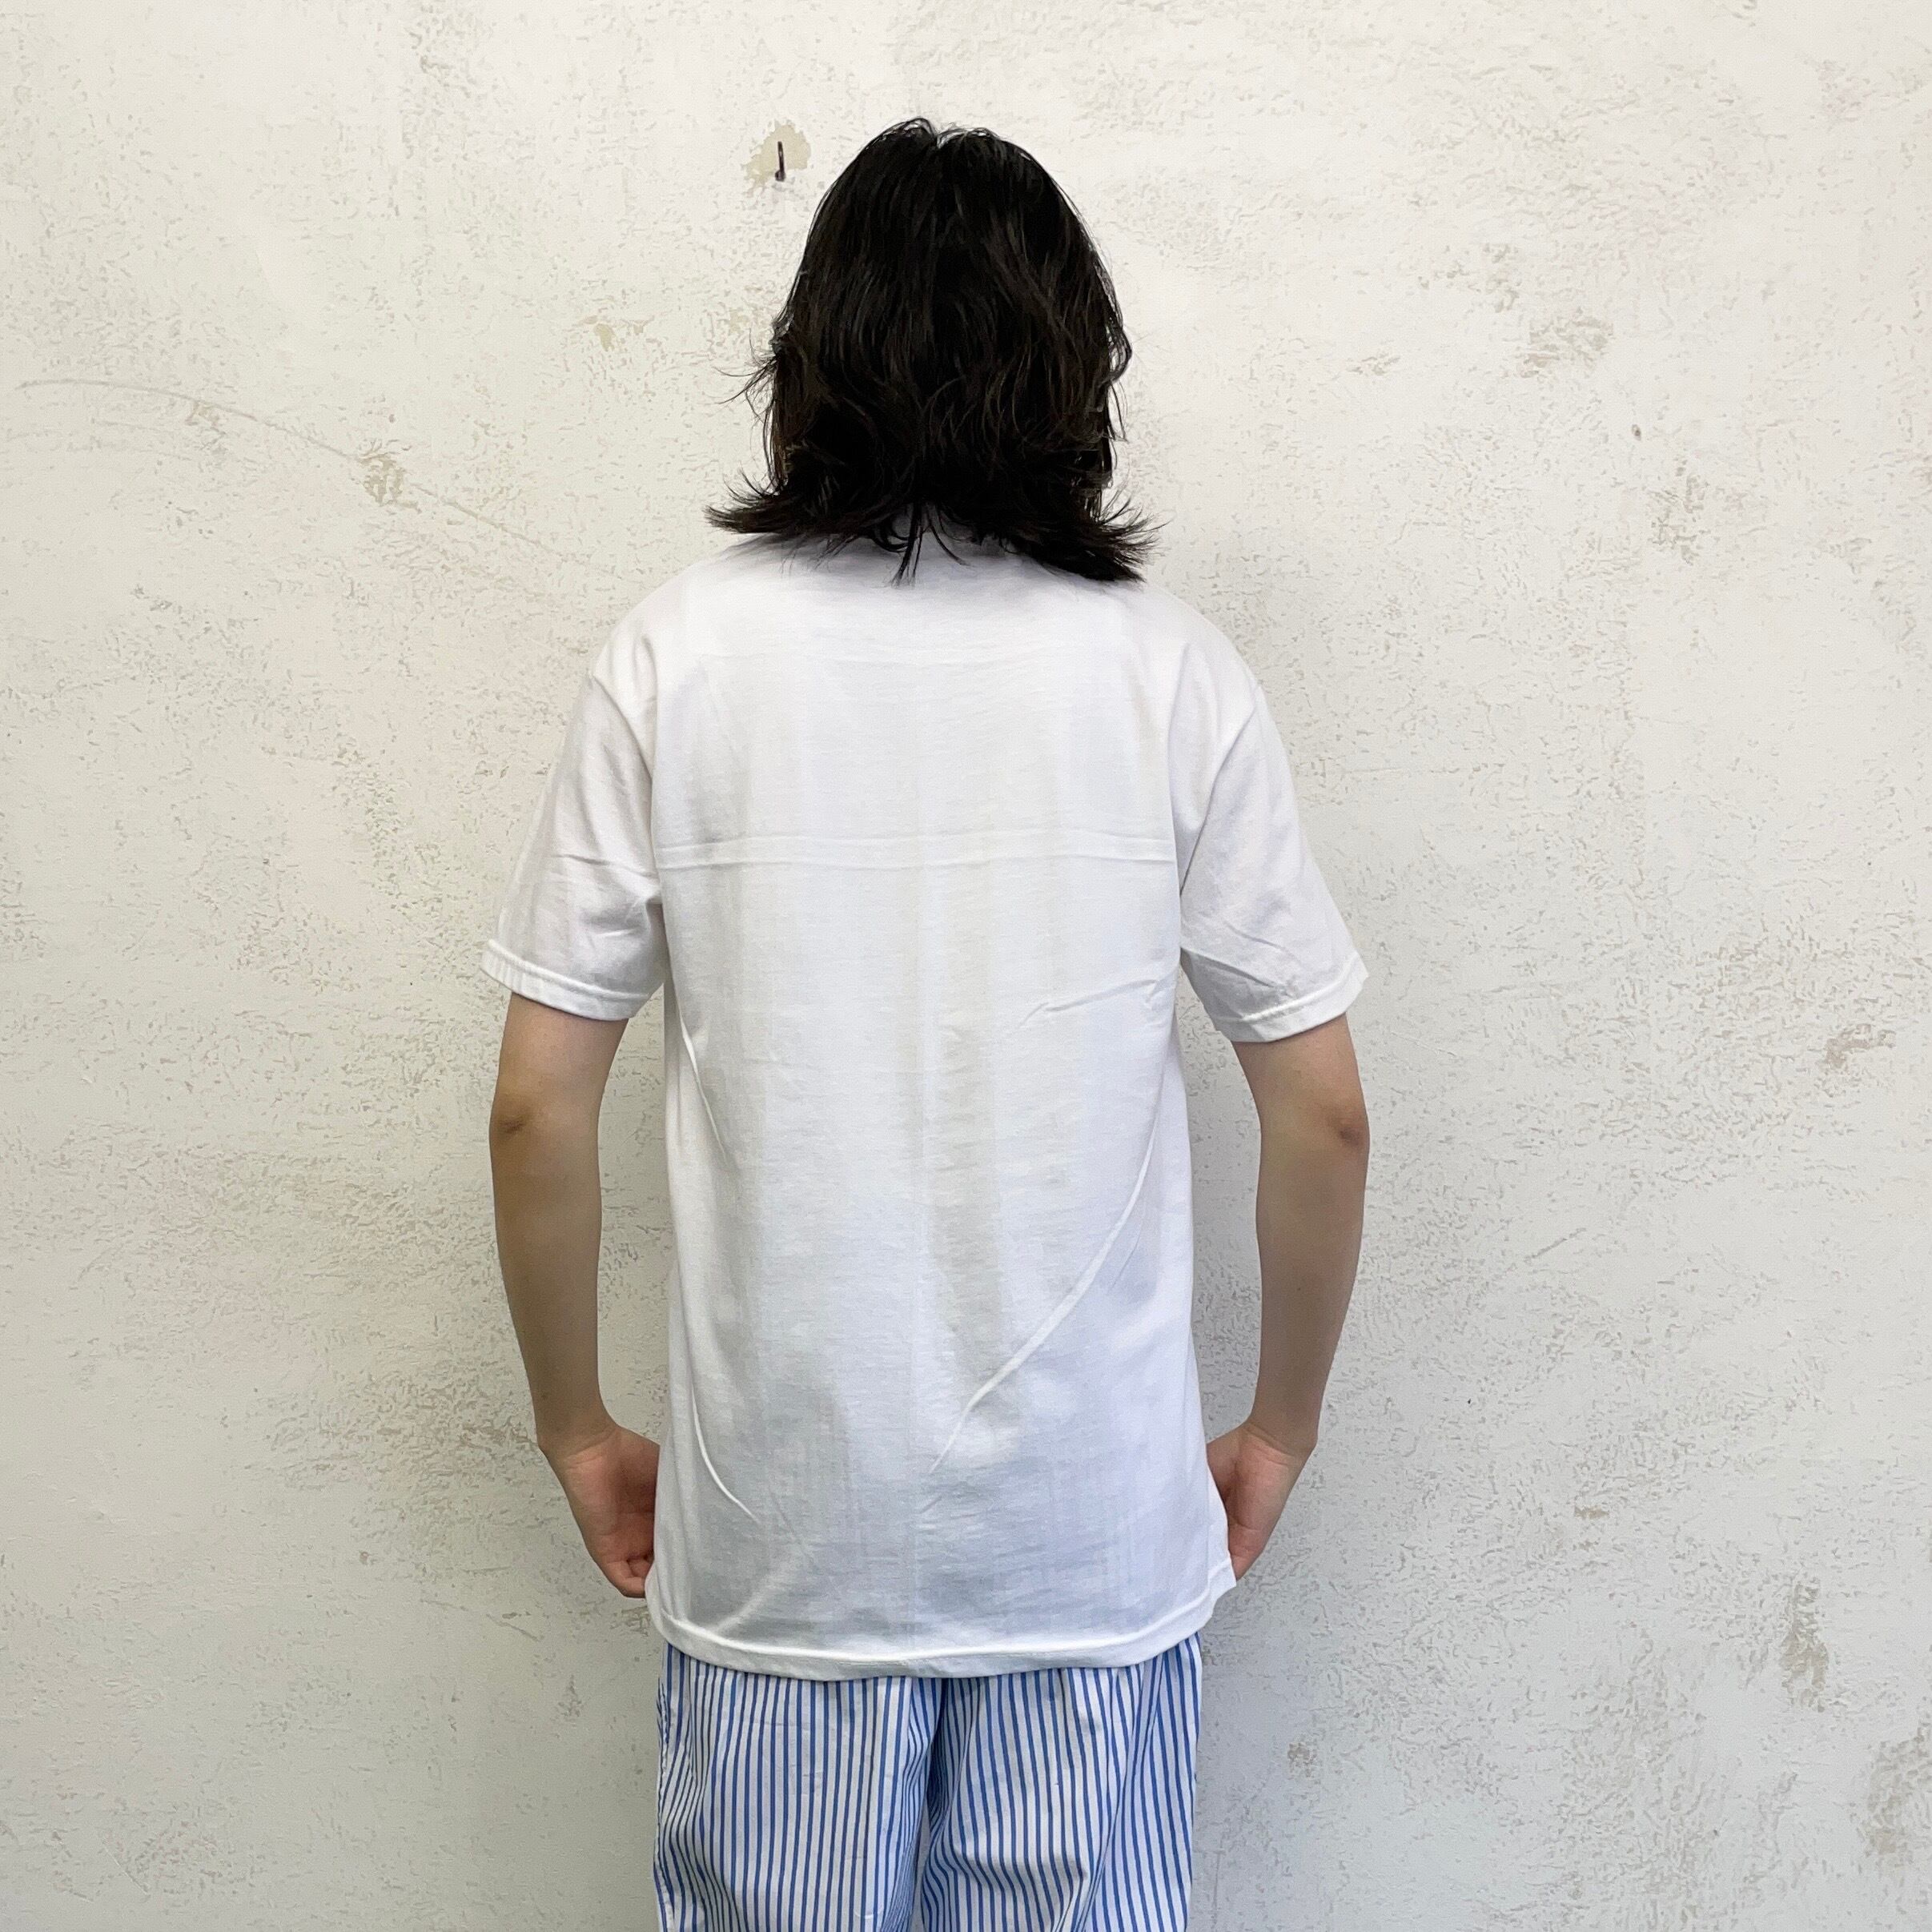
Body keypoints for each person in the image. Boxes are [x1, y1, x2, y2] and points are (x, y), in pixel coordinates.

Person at [483, 116, 1370, 1932]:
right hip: (1088, 1540)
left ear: (810, 358)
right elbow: (1324, 1112)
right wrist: (1277, 1423)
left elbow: (535, 1107)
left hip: (786, 1541)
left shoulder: (672, 658)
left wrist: (575, 1423)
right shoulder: (1171, 674)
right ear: (1073, 365)